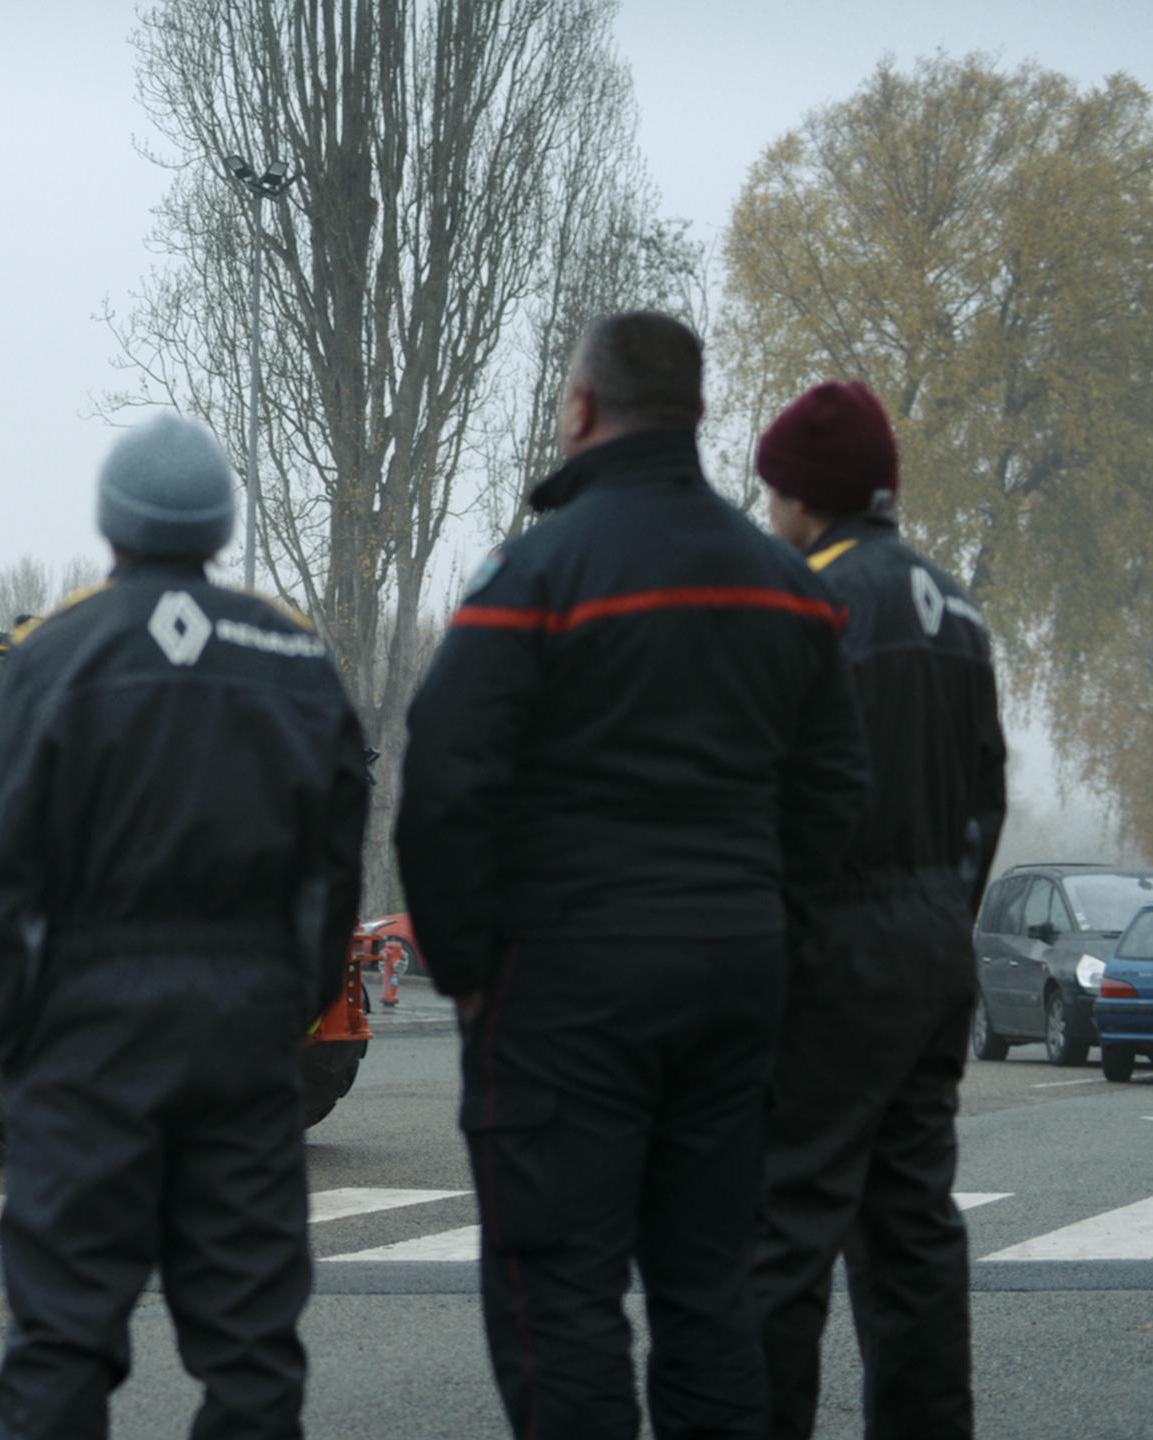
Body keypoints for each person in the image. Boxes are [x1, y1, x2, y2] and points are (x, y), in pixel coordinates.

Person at [395, 312, 870, 1439]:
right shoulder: (787, 588)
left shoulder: (534, 574)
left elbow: (444, 777)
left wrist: (468, 972)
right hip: (733, 981)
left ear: (580, 408)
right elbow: (836, 796)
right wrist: (772, 936)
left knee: (560, 1290)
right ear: (695, 414)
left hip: (566, 988)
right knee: (711, 1293)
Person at [0, 412, 369, 1440]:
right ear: (220, 526)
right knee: (251, 1349)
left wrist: (13, 1038)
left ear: (112, 524)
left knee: (61, 1341)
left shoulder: (51, 654)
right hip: (242, 1031)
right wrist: (290, 1000)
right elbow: (335, 855)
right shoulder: (290, 652)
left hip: (87, 1034)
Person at [747, 381, 1005, 1440]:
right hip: (932, 946)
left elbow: (767, 791)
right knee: (912, 1236)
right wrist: (943, 912)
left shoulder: (803, 602)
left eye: (774, 492)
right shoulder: (957, 609)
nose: (768, 512)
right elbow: (984, 796)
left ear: (808, 498)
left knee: (779, 1234)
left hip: (830, 947)